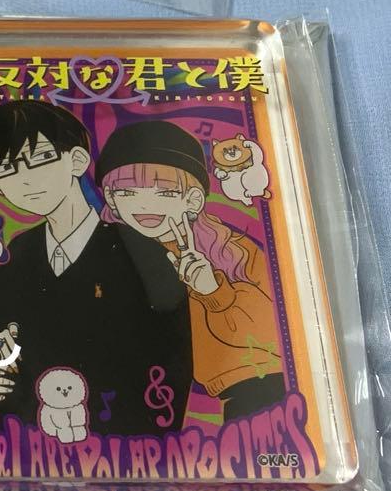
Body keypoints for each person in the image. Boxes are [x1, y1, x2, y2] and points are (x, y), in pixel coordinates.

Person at [0, 100, 192, 438]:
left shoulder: (141, 250)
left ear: (77, 160)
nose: (25, 180)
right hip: (33, 442)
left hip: (122, 440)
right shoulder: (22, 250)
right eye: (5, 170)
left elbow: (171, 359)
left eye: (40, 159)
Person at [96, 120, 284, 422]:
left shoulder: (233, 252)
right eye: (128, 192)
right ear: (111, 199)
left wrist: (215, 292)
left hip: (252, 394)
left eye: (165, 192)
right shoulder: (107, 254)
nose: (145, 204)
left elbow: (274, 335)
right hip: (137, 396)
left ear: (193, 199)